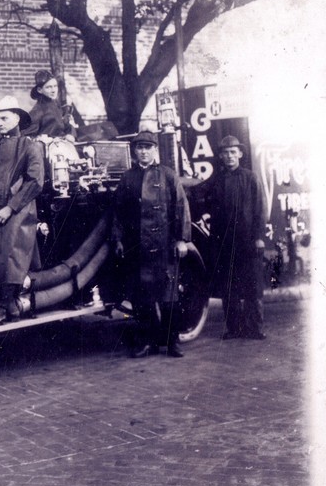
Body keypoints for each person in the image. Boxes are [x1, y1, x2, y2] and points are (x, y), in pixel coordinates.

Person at [112, 131, 191, 358]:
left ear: (155, 149)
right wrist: (117, 238)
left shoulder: (168, 175)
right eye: (139, 148)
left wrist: (181, 239)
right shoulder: (128, 177)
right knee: (141, 299)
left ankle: (172, 342)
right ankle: (147, 342)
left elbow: (180, 207)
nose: (143, 152)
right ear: (134, 151)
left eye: (147, 147)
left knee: (169, 297)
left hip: (164, 243)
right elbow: (118, 211)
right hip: (136, 245)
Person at [0, 96, 45, 326]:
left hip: (20, 211)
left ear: (17, 118)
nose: (0, 123)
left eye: (4, 118)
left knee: (9, 250)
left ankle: (5, 304)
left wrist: (9, 208)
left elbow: (35, 182)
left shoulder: (30, 147)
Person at [201, 135, 267, 340]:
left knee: (252, 287)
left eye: (233, 152)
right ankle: (234, 328)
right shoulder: (216, 181)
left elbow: (260, 209)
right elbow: (200, 198)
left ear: (239, 153)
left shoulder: (251, 177)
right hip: (224, 243)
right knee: (229, 288)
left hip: (248, 241)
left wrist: (258, 237)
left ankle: (254, 328)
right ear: (220, 156)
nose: (229, 156)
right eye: (225, 153)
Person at [23, 70, 78, 141]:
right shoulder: (37, 111)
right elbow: (28, 138)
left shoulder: (56, 105)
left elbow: (66, 125)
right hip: (48, 148)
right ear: (40, 90)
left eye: (55, 86)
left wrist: (71, 135)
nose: (53, 90)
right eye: (48, 87)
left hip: (64, 144)